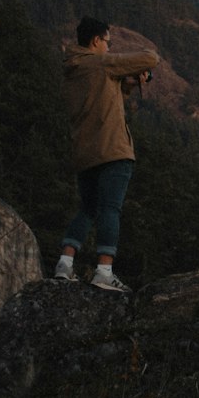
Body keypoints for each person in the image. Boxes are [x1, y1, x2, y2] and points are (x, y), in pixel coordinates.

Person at [53, 16, 158, 292]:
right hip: (112, 149)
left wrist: (129, 84)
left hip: (84, 153)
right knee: (110, 209)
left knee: (87, 209)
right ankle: (104, 270)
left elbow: (101, 99)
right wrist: (136, 69)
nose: (109, 48)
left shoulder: (73, 71)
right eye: (108, 42)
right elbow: (150, 57)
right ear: (96, 40)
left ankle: (64, 264)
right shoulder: (102, 64)